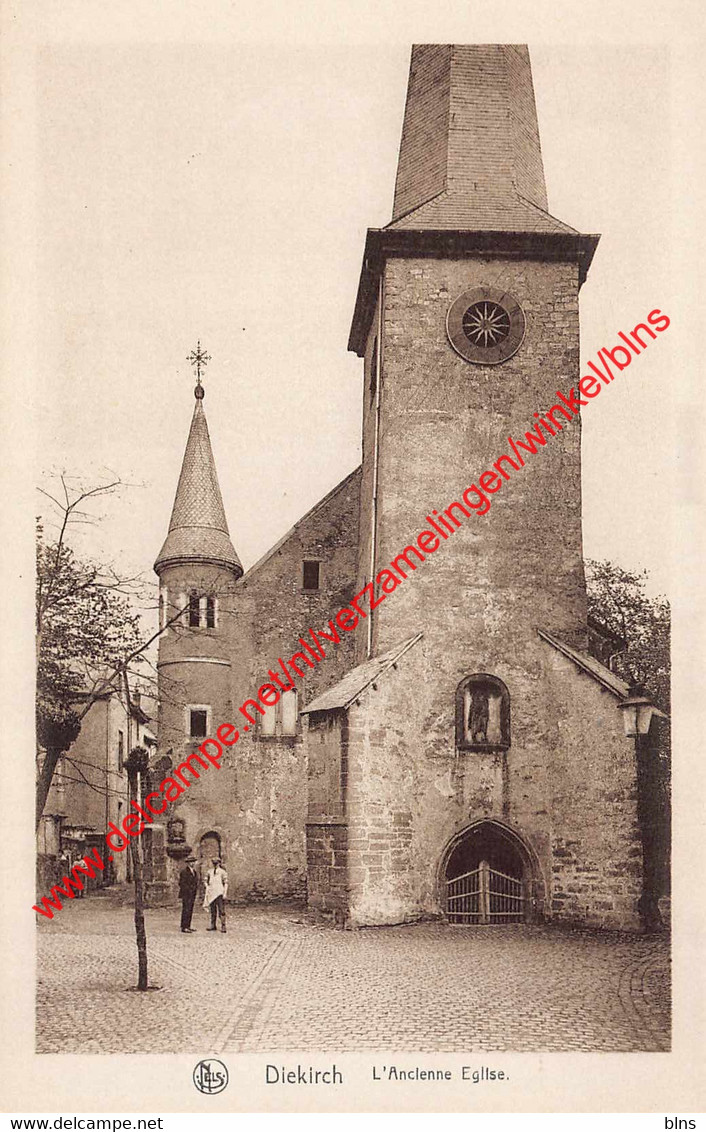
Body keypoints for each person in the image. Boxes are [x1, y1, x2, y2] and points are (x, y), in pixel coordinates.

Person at [203, 857, 228, 933]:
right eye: (214, 863)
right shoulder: (209, 872)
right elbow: (205, 880)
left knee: (221, 910)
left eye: (216, 863)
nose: (215, 864)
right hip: (212, 893)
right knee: (213, 910)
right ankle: (213, 925)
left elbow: (226, 883)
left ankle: (223, 925)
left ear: (219, 863)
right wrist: (207, 887)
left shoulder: (223, 872)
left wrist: (225, 893)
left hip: (219, 893)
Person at [178, 855, 199, 932]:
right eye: (190, 862)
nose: (192, 863)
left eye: (193, 862)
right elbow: (181, 883)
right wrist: (188, 890)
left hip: (192, 894)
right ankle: (184, 927)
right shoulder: (184, 872)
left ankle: (188, 925)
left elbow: (195, 882)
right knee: (186, 909)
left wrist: (194, 891)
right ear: (188, 863)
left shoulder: (194, 872)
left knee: (190, 909)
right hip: (186, 894)